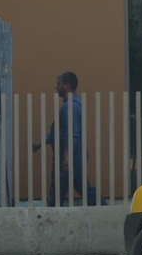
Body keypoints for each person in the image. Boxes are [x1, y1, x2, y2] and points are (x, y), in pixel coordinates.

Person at [33, 71, 100, 205]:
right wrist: (40, 143)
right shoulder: (71, 105)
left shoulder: (71, 107)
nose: (56, 87)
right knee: (84, 190)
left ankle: (51, 216)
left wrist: (66, 156)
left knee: (57, 191)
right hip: (75, 158)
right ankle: (103, 208)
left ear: (67, 86)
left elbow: (71, 133)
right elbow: (59, 133)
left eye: (59, 84)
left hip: (70, 159)